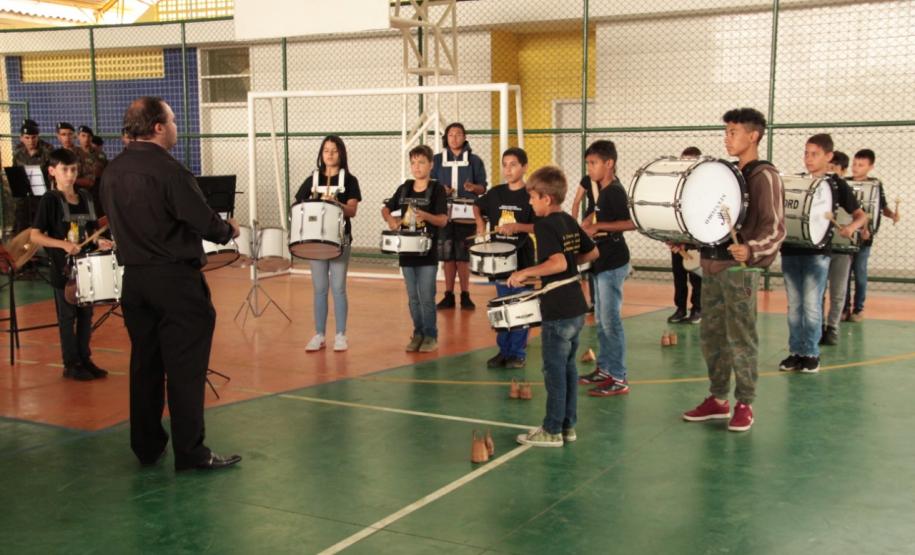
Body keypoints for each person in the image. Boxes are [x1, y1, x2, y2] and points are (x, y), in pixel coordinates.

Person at [101, 96, 241, 471]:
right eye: (173, 120)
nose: (177, 126)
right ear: (158, 127)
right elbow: (207, 223)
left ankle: (147, 446)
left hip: (135, 280)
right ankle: (191, 452)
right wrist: (229, 229)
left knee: (145, 363)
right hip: (175, 281)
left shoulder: (112, 172)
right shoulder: (169, 171)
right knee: (185, 368)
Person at [682, 107, 785, 432]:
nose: (727, 138)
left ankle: (744, 403)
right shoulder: (726, 174)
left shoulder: (764, 175)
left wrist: (751, 249)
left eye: (733, 132)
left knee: (740, 337)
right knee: (711, 336)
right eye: (726, 131)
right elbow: (708, 218)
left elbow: (776, 228)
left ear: (753, 136)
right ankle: (718, 399)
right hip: (712, 267)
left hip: (739, 271)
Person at [508, 166, 599, 447]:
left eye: (533, 197)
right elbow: (592, 251)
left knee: (554, 372)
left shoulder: (545, 225)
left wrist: (524, 273)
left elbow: (557, 262)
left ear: (546, 198)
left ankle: (551, 429)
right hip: (575, 306)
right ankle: (567, 425)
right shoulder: (568, 221)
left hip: (558, 310)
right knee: (568, 369)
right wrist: (570, 266)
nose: (530, 203)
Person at [777, 134, 867, 373]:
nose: (808, 158)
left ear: (829, 157)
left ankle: (811, 353)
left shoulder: (836, 185)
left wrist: (850, 228)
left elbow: (861, 215)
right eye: (806, 153)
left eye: (814, 154)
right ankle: (795, 352)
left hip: (817, 254)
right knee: (794, 305)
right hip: (790, 251)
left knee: (811, 304)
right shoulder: (795, 182)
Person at [29, 148, 113, 381]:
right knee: (67, 317)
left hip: (88, 267)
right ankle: (71, 363)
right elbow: (36, 235)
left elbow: (93, 230)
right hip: (63, 269)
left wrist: (99, 240)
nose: (70, 174)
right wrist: (63, 245)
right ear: (52, 171)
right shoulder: (50, 200)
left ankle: (85, 358)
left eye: (74, 169)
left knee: (86, 315)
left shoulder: (85, 197)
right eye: (65, 170)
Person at [574, 140, 637, 397]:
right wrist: (588, 222)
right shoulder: (600, 190)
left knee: (611, 322)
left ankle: (619, 377)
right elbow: (593, 216)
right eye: (588, 163)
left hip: (613, 262)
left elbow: (631, 223)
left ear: (609, 163)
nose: (589, 168)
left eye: (594, 163)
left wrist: (599, 227)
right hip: (600, 262)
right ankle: (605, 368)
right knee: (601, 320)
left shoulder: (615, 191)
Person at [294, 136, 362, 352]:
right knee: (320, 289)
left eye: (334, 150)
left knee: (339, 288)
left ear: (341, 153)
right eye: (326, 150)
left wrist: (336, 204)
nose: (330, 154)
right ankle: (319, 334)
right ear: (321, 154)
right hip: (316, 242)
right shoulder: (312, 179)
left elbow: (352, 211)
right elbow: (297, 204)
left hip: (340, 240)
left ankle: (341, 334)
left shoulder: (350, 181)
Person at [383, 145, 449, 352]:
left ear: (431, 165)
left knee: (427, 296)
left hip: (427, 253)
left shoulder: (437, 190)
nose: (416, 167)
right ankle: (418, 332)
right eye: (413, 162)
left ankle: (431, 334)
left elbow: (443, 220)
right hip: (406, 252)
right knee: (412, 297)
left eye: (421, 162)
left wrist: (426, 216)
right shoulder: (405, 188)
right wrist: (390, 219)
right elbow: (386, 207)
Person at [475, 147, 535, 369]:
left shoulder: (531, 194)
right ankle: (504, 350)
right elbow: (477, 206)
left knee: (520, 306)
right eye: (505, 165)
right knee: (502, 305)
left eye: (513, 165)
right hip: (499, 260)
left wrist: (517, 226)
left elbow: (540, 226)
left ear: (524, 167)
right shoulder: (496, 193)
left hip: (522, 259)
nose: (508, 170)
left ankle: (518, 353)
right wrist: (480, 222)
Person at [431, 122, 487, 310]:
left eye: (458, 134)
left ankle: (465, 294)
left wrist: (473, 188)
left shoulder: (475, 160)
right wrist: (442, 190)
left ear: (465, 137)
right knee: (448, 255)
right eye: (451, 135)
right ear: (446, 138)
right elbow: (430, 185)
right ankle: (448, 294)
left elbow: (483, 187)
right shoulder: (437, 160)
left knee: (463, 255)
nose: (454, 138)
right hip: (444, 212)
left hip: (466, 214)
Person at [843, 149, 900, 322]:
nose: (856, 168)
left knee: (860, 273)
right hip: (846, 236)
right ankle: (844, 308)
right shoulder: (845, 183)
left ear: (870, 167)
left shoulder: (875, 185)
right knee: (843, 275)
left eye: (861, 165)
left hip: (865, 239)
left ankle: (858, 309)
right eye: (854, 164)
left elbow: (881, 207)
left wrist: (892, 215)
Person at [667, 146, 703, 324]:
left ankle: (697, 309)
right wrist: (671, 237)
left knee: (696, 277)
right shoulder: (675, 187)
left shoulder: (703, 188)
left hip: (697, 241)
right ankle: (680, 308)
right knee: (678, 275)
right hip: (679, 240)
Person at [820, 150, 852, 345]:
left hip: (842, 249)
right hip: (823, 248)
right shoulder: (821, 188)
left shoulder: (845, 189)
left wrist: (855, 229)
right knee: (820, 290)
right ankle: (820, 326)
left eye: (834, 169)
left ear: (842, 171)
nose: (831, 172)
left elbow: (860, 215)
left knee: (838, 290)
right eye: (829, 168)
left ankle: (833, 327)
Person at [11, 119, 53, 233]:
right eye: (27, 137)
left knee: (40, 228)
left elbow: (53, 172)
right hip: (24, 198)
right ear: (21, 138)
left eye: (34, 137)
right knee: (20, 228)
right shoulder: (18, 153)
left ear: (38, 137)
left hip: (41, 197)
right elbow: (15, 173)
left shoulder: (47, 151)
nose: (31, 141)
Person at [77, 125, 109, 216]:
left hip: (96, 194)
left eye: (89, 136)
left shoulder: (100, 155)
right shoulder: (73, 154)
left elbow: (105, 173)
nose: (86, 139)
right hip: (79, 193)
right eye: (83, 136)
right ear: (78, 136)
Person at [55, 122, 93, 190]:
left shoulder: (83, 154)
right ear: (58, 136)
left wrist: (68, 180)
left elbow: (90, 181)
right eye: (63, 134)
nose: (67, 138)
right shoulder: (55, 156)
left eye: (70, 134)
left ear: (74, 136)